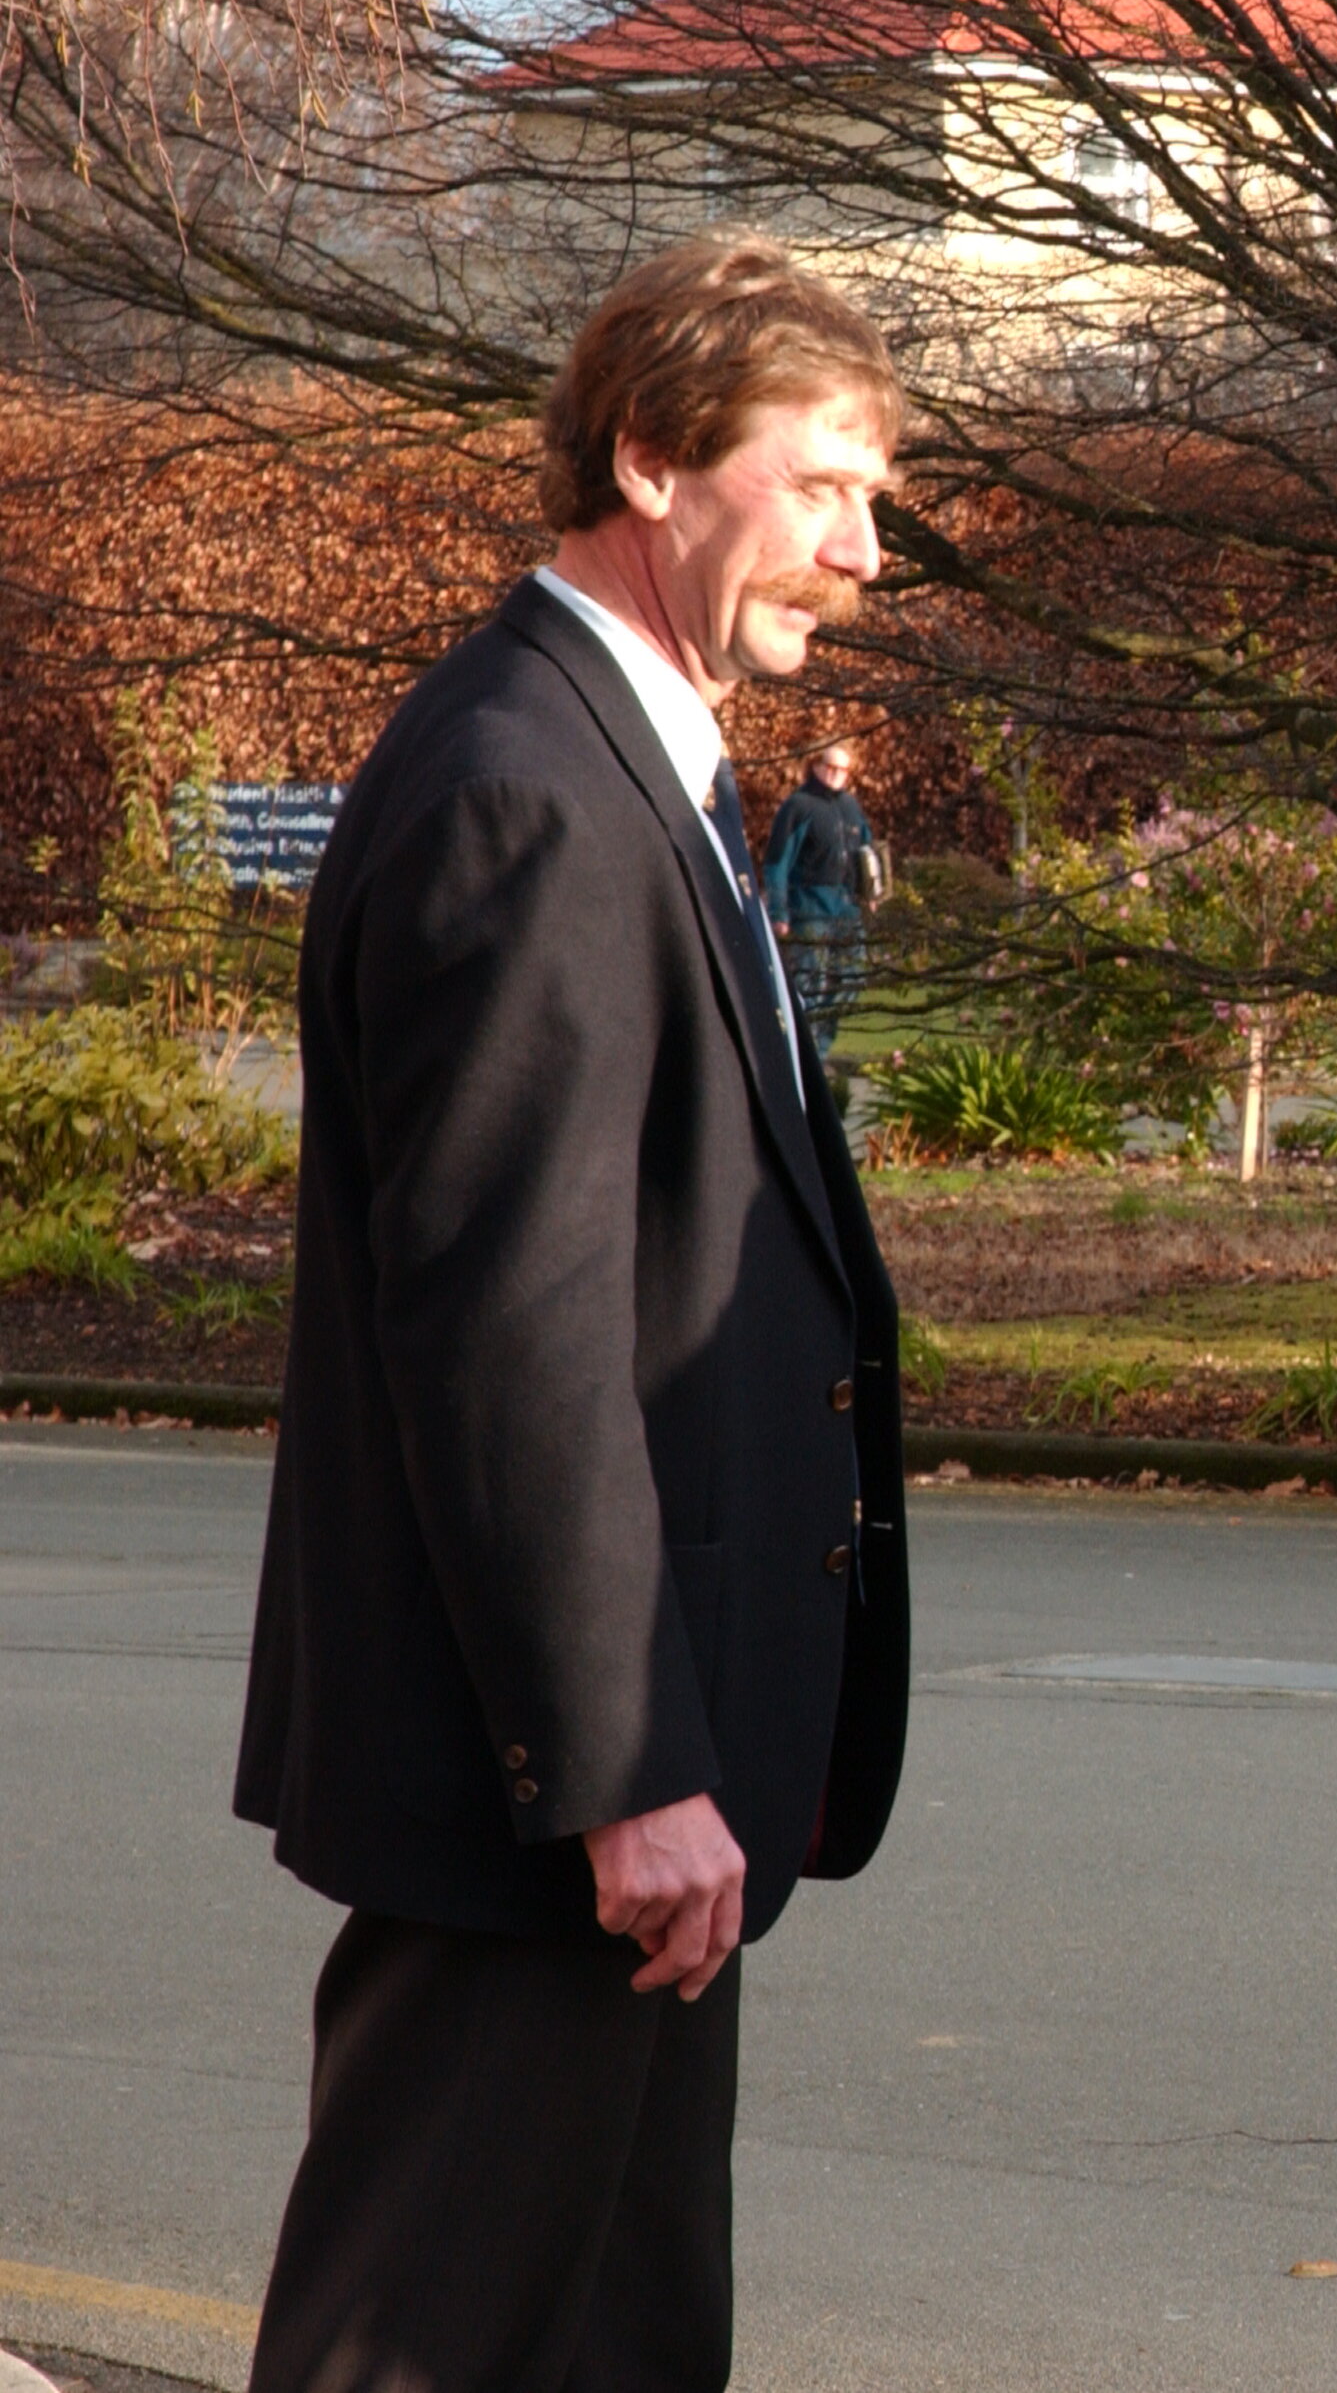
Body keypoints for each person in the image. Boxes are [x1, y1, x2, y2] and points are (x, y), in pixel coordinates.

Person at [235, 230, 915, 2393]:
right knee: (422, 2345)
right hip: (555, 1809)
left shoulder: (637, 767)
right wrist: (623, 1772)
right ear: (649, 458)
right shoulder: (526, 788)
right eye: (821, 486)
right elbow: (508, 1335)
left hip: (634, 1803)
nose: (863, 553)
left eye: (873, 498)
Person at [762, 738, 879, 1028]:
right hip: (809, 909)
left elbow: (867, 853)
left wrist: (872, 893)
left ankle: (821, 1046)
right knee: (809, 986)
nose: (836, 774)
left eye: (843, 769)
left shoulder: (851, 806)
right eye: (830, 767)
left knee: (852, 978)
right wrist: (779, 912)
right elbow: (777, 862)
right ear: (815, 765)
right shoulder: (798, 806)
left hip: (848, 909)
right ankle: (805, 1045)